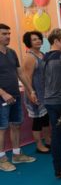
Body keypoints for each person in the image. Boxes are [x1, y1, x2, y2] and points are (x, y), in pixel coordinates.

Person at [0, 24, 37, 172]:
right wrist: (3, 93)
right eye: (3, 34)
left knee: (16, 124)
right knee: (1, 128)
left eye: (8, 33)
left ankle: (16, 154)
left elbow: (20, 73)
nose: (8, 36)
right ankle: (2, 159)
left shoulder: (12, 52)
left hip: (15, 95)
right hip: (1, 97)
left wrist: (30, 90)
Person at [43, 28, 61, 179]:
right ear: (55, 41)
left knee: (56, 135)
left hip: (49, 101)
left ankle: (58, 169)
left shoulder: (44, 57)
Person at [22, 31, 51, 154]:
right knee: (38, 121)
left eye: (38, 38)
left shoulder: (42, 54)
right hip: (35, 94)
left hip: (44, 93)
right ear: (29, 42)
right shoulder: (30, 57)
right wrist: (31, 94)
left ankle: (48, 140)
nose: (38, 41)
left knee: (45, 118)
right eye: (34, 39)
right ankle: (39, 145)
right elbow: (26, 77)